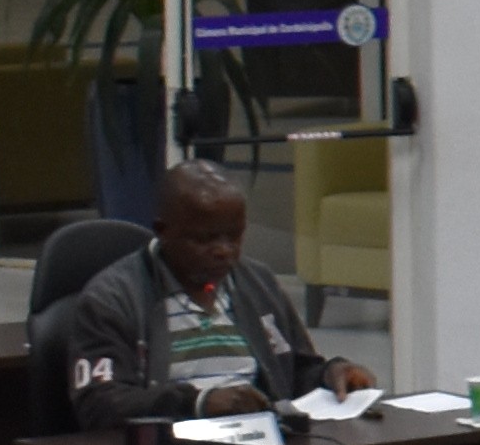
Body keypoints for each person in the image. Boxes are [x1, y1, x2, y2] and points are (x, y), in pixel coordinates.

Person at [55, 161, 366, 429]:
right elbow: (98, 404)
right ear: (163, 231)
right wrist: (199, 403)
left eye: (234, 236)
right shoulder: (112, 299)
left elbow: (293, 372)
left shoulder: (256, 283)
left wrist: (330, 374)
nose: (223, 251)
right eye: (205, 239)